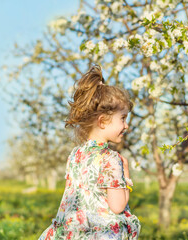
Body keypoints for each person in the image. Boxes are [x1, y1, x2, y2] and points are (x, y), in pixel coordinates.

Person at [38, 65, 141, 240]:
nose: (126, 125)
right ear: (102, 121)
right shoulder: (111, 159)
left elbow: (71, 198)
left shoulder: (75, 155)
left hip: (72, 232)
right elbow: (117, 206)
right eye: (122, 118)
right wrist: (127, 177)